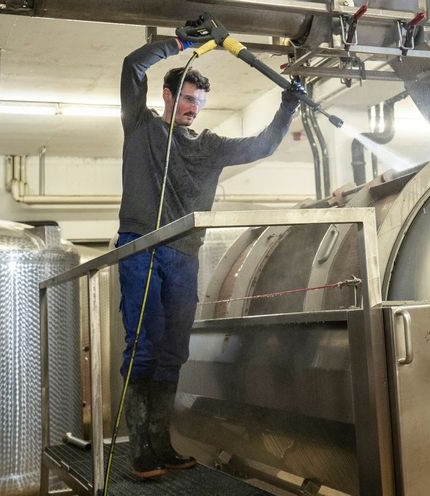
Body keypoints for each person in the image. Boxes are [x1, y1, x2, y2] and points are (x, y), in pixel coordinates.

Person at [115, 34, 301, 479]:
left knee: (173, 350)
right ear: (167, 95)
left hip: (184, 255)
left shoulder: (209, 145)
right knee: (143, 345)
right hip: (141, 245)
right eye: (186, 99)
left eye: (198, 101)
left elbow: (263, 145)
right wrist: (178, 42)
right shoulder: (141, 126)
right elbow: (131, 66)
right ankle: (141, 450)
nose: (192, 108)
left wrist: (288, 107)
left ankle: (162, 444)